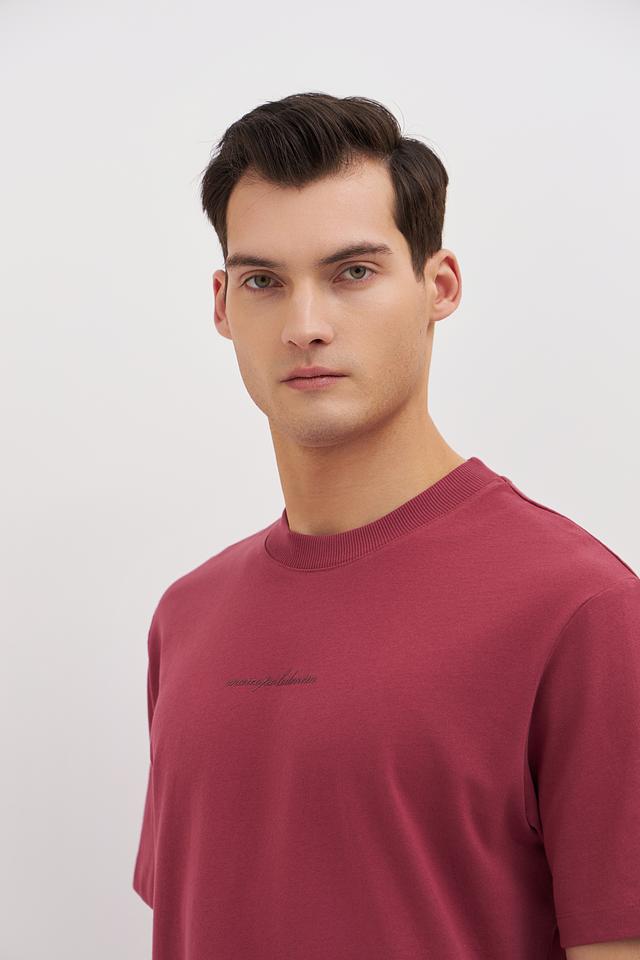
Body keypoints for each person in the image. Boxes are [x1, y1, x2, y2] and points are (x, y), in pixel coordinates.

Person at [132, 92, 640, 960]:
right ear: (222, 305)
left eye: (353, 273)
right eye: (263, 281)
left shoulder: (582, 612)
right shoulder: (187, 617)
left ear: (438, 287)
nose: (305, 327)